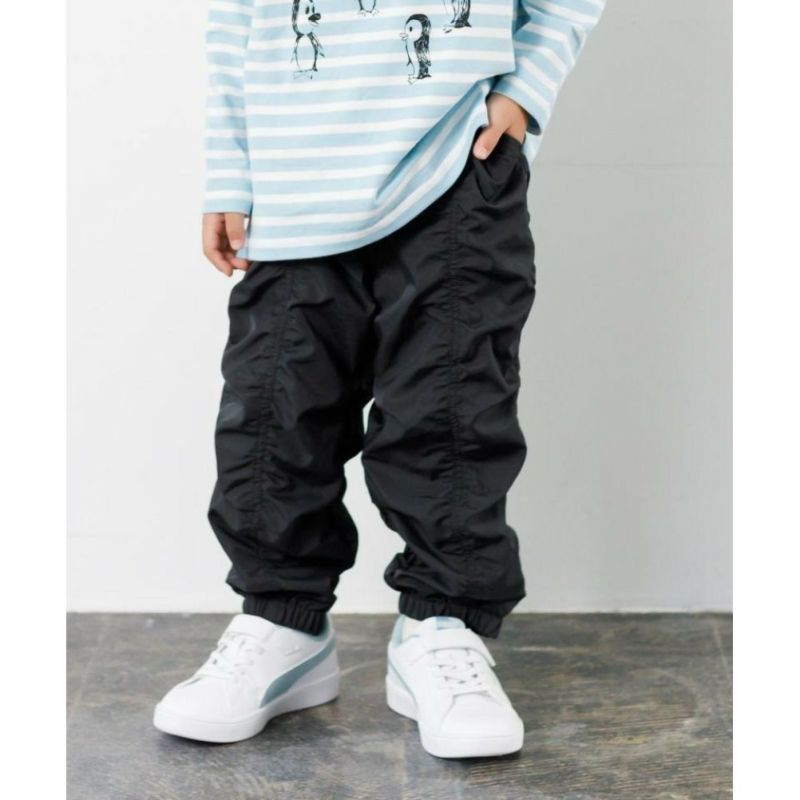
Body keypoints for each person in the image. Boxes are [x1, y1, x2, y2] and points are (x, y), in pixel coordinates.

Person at [153, 0, 604, 758]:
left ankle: (441, 625)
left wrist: (524, 92)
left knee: (450, 409)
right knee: (274, 410)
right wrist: (230, 169)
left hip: (453, 165)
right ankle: (282, 623)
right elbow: (234, 19)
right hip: (296, 176)